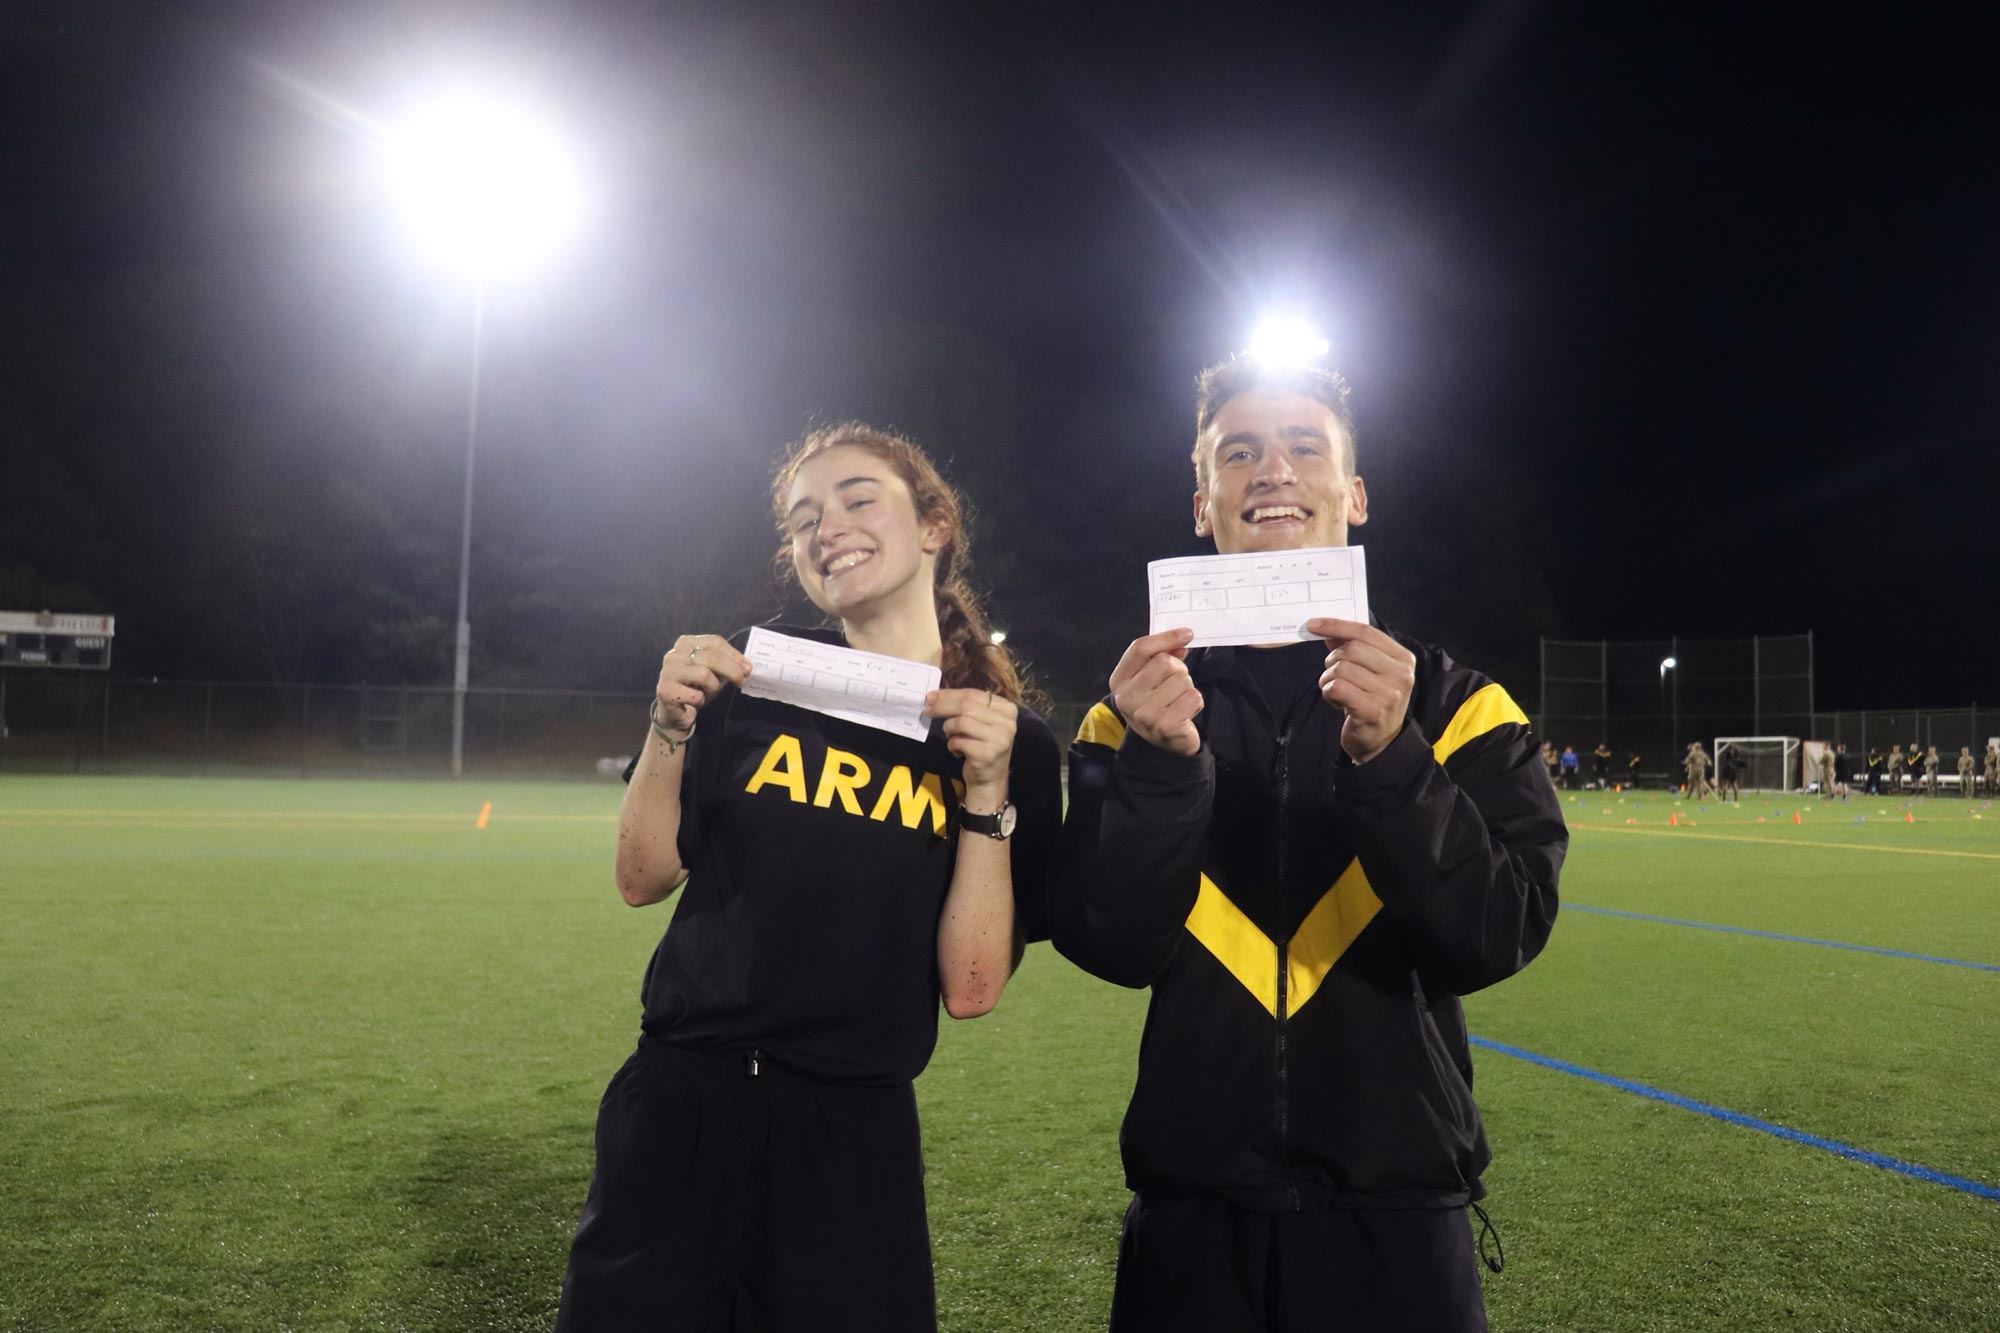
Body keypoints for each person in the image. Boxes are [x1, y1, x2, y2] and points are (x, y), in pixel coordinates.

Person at [1050, 356, 1565, 1333]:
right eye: (1237, 453)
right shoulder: (1129, 713)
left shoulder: (1458, 707)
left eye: (1301, 447)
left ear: (1353, 491)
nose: (1271, 471)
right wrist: (1162, 767)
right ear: (1202, 501)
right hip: (1192, 1219)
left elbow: (1492, 935)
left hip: (1398, 1217)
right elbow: (1110, 944)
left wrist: (1392, 764)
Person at [555, 423, 1063, 1332]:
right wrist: (668, 725)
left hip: (850, 1134)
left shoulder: (1004, 740)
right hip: (682, 1101)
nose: (827, 526)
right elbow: (640, 878)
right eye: (803, 519)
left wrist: (986, 795)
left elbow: (975, 986)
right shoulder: (750, 680)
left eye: (859, 498)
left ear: (934, 524)